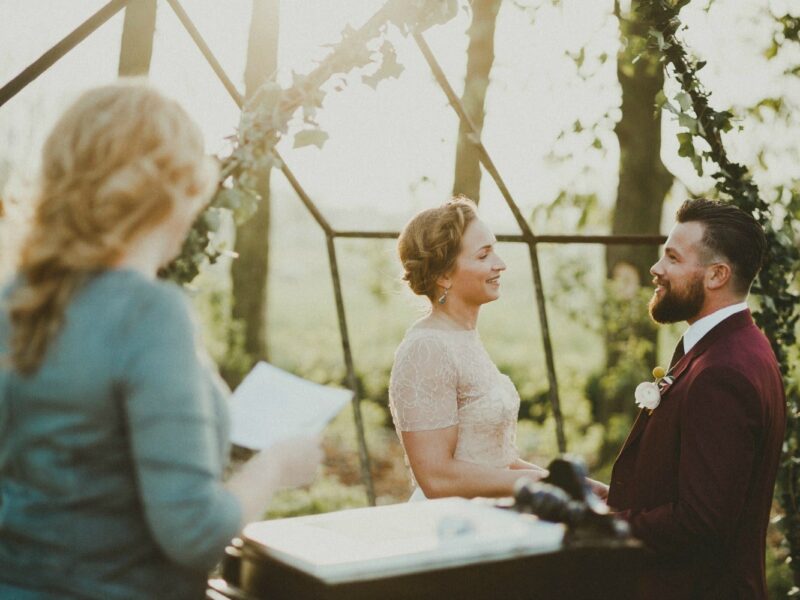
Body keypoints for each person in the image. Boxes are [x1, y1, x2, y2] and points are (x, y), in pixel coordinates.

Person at [0, 81, 322, 599]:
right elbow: (194, 532)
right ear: (174, 188)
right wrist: (278, 464)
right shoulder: (148, 314)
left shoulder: (17, 299)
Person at [607, 198, 785, 599]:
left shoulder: (722, 372)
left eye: (672, 257)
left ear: (716, 274)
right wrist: (609, 496)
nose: (656, 269)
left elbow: (699, 524)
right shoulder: (739, 348)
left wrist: (599, 522)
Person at [389, 198, 548, 500]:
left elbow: (491, 460)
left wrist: (565, 483)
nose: (500, 264)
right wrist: (536, 483)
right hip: (454, 524)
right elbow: (437, 478)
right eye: (484, 255)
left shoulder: (463, 337)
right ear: (443, 275)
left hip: (494, 512)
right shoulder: (427, 349)